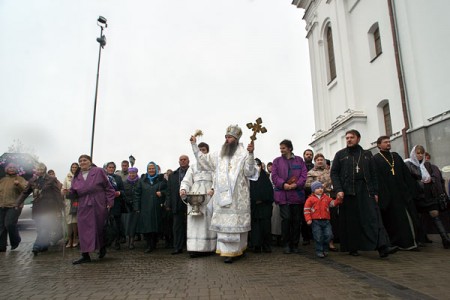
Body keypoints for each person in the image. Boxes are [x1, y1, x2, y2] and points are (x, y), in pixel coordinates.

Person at [190, 124, 257, 263]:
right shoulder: (219, 154)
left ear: (236, 139)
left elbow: (250, 172)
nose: (227, 140)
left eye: (230, 137)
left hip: (238, 198)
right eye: (226, 137)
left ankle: (239, 250)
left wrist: (251, 154)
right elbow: (204, 161)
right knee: (224, 227)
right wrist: (194, 145)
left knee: (237, 226)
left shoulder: (244, 153)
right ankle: (227, 252)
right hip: (221, 198)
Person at [330, 129, 396, 258]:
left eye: (351, 137)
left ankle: (382, 247)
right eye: (347, 138)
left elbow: (373, 174)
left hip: (365, 190)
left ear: (358, 138)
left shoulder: (367, 154)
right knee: (352, 221)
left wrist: (375, 191)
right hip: (348, 191)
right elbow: (334, 173)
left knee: (373, 218)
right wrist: (338, 189)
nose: (349, 139)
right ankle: (352, 247)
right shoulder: (340, 155)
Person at [66, 155, 115, 264]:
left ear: (90, 161)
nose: (82, 162)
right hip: (83, 205)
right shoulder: (77, 175)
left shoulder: (98, 171)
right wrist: (67, 193)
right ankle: (85, 255)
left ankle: (102, 248)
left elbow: (109, 188)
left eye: (85, 160)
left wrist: (109, 202)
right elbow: (73, 192)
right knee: (83, 230)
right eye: (80, 161)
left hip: (98, 202)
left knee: (99, 228)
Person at [372, 136, 418, 250]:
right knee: (394, 220)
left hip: (402, 192)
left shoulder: (396, 156)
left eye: (389, 141)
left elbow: (405, 173)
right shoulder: (376, 159)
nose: (388, 143)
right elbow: (377, 177)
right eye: (385, 142)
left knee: (408, 217)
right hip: (388, 194)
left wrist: (411, 189)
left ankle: (413, 241)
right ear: (379, 145)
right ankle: (397, 242)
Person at [405, 145, 450, 249]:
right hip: (417, 196)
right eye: (418, 153)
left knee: (435, 214)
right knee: (418, 218)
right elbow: (409, 178)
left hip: (429, 195)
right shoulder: (408, 165)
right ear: (414, 153)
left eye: (422, 153)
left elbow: (436, 176)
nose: (420, 155)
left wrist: (431, 179)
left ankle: (445, 239)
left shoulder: (428, 165)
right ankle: (420, 239)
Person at [16, 162, 65, 256]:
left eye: (41, 170)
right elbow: (25, 192)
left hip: (49, 207)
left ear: (44, 170)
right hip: (38, 207)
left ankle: (37, 246)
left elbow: (57, 193)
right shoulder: (33, 180)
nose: (39, 171)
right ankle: (44, 245)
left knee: (44, 226)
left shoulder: (51, 179)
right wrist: (18, 202)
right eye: (38, 170)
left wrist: (61, 205)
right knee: (40, 227)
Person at [180, 142, 217, 257]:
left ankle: (209, 247)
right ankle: (194, 248)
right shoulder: (193, 166)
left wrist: (213, 188)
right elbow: (187, 180)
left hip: (208, 195)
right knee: (194, 221)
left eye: (204, 150)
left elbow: (217, 179)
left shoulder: (212, 165)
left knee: (207, 220)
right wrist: (183, 189)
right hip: (194, 193)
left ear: (207, 152)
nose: (201, 151)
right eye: (199, 149)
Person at [271, 139, 307, 254]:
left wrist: (297, 184)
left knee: (296, 221)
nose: (281, 150)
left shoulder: (299, 160)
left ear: (290, 148)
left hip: (296, 196)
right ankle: (286, 243)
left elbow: (304, 175)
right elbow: (274, 176)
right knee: (286, 220)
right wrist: (283, 184)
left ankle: (295, 244)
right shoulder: (276, 161)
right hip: (283, 196)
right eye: (280, 148)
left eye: (283, 148)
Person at [305, 153, 338, 252]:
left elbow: (334, 181)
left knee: (332, 220)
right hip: (317, 198)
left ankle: (330, 242)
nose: (320, 161)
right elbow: (307, 184)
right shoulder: (311, 172)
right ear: (315, 161)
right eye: (318, 159)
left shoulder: (329, 171)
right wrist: (318, 185)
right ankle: (320, 243)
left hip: (328, 196)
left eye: (321, 159)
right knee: (320, 222)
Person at [134, 162, 167, 253]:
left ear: (156, 169)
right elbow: (137, 194)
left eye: (153, 168)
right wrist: (137, 207)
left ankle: (154, 242)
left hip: (157, 207)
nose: (151, 170)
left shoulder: (161, 180)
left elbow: (167, 191)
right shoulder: (142, 180)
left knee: (156, 226)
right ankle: (149, 244)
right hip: (146, 207)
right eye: (150, 169)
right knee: (147, 226)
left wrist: (162, 193)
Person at [304, 181, 340, 258]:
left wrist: (338, 200)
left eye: (321, 188)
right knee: (318, 236)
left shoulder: (326, 197)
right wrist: (308, 219)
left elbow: (332, 203)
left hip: (326, 220)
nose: (320, 189)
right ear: (313, 190)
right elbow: (306, 209)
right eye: (317, 188)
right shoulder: (310, 199)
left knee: (329, 235)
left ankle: (325, 248)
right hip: (315, 221)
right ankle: (319, 250)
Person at [0, 163, 28, 252]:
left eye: (13, 167)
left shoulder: (20, 179)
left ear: (16, 169)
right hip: (2, 205)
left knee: (9, 224)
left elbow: (25, 190)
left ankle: (16, 240)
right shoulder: (2, 180)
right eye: (9, 167)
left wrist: (18, 184)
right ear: (6, 169)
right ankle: (1, 246)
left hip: (15, 206)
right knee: (1, 227)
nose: (11, 169)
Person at [165, 155, 190, 255]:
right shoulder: (173, 175)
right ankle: (178, 247)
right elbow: (169, 191)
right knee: (177, 226)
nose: (183, 161)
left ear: (188, 161)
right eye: (181, 160)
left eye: (185, 160)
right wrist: (168, 203)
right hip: (177, 202)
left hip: (190, 202)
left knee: (190, 226)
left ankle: (191, 247)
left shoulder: (193, 172)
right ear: (179, 162)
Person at [249, 158, 274, 253]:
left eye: (258, 165)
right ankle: (256, 245)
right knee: (255, 227)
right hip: (254, 208)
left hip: (265, 207)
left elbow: (269, 192)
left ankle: (266, 245)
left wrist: (262, 199)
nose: (257, 167)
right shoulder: (250, 179)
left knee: (266, 227)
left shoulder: (265, 178)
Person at [105, 162, 126, 250]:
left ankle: (117, 241)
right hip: (104, 204)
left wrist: (119, 192)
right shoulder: (102, 177)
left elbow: (123, 190)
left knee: (117, 224)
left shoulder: (118, 178)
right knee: (106, 224)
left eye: (113, 167)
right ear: (106, 168)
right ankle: (107, 241)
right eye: (109, 167)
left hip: (116, 203)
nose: (111, 169)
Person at [62, 163, 80, 248]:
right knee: (68, 222)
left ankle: (75, 238)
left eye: (76, 167)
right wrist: (64, 191)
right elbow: (62, 189)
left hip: (76, 201)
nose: (74, 168)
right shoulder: (67, 177)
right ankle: (69, 239)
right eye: (73, 167)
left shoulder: (80, 177)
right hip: (68, 201)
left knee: (75, 222)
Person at [122, 167, 140, 249]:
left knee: (134, 224)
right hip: (127, 206)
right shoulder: (125, 183)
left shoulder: (140, 182)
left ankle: (132, 242)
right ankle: (128, 240)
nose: (132, 174)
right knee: (128, 224)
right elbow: (123, 194)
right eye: (130, 173)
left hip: (137, 206)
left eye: (133, 173)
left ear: (136, 173)